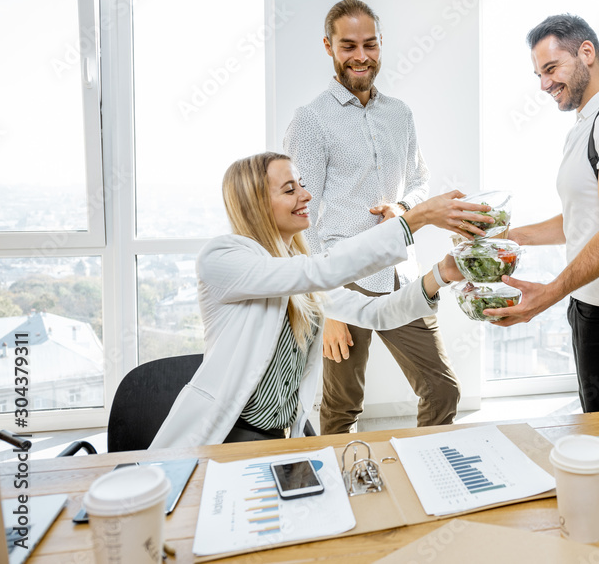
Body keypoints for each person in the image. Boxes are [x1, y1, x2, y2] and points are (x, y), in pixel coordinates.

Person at [150, 152, 489, 449]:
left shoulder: (294, 269)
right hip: (226, 438)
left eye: (302, 184)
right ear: (254, 202)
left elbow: (377, 313)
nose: (307, 195)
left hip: (281, 435)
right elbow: (324, 269)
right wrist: (416, 218)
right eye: (290, 189)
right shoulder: (224, 258)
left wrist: (442, 272)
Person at [283, 0, 478, 434]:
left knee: (442, 389)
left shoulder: (399, 114)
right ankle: (341, 490)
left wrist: (403, 208)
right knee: (342, 406)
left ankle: (428, 468)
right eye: (348, 45)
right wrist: (328, 305)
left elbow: (419, 181)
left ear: (380, 45)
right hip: (342, 277)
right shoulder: (311, 121)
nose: (360, 56)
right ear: (329, 47)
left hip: (397, 270)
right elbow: (301, 217)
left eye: (369, 44)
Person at [486, 14, 599, 414]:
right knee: (598, 419)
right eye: (538, 74)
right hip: (590, 303)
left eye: (551, 69)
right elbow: (583, 219)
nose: (544, 84)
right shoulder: (589, 122)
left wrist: (548, 294)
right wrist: (510, 237)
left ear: (587, 53)